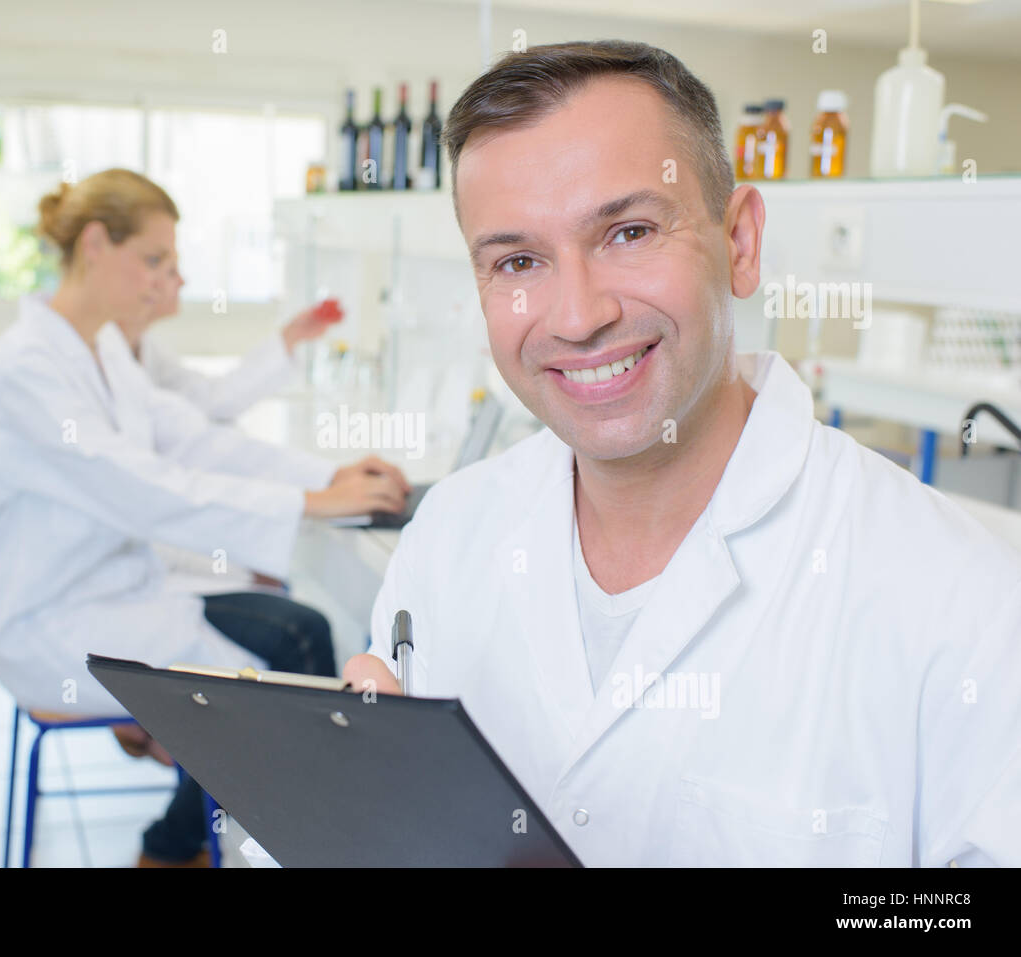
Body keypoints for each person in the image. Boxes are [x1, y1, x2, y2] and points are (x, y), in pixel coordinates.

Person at [344, 40, 1021, 866]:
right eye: (519, 260)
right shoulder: (451, 535)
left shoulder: (959, 599)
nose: (577, 315)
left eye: (629, 232)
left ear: (740, 243)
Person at [0, 168, 409, 866]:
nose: (164, 278)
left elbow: (195, 437)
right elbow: (144, 487)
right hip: (47, 616)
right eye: (153, 259)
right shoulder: (25, 368)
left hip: (119, 585)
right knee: (276, 685)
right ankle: (196, 837)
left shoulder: (103, 349)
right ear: (94, 244)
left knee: (285, 642)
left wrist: (327, 477)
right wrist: (309, 503)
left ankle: (220, 815)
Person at [129, 249, 341, 421]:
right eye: (170, 271)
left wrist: (292, 335)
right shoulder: (112, 345)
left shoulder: (147, 346)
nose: (182, 281)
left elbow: (216, 400)